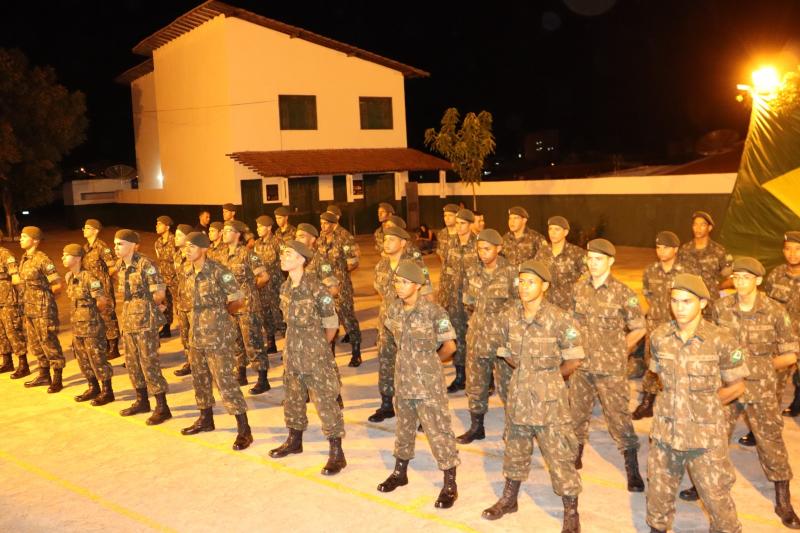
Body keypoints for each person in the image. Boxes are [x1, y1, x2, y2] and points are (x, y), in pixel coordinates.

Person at [679, 257, 800, 528]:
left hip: (762, 389)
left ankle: (783, 499)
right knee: (711, 438)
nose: (740, 282)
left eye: (746, 277)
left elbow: (791, 354)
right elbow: (707, 339)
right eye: (736, 277)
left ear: (758, 280)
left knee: (771, 443)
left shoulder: (774, 311)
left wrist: (758, 367)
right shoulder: (721, 308)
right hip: (726, 386)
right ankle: (702, 485)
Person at [481, 260, 582, 532]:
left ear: (545, 286)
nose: (524, 287)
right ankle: (509, 498)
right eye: (521, 281)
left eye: (531, 282)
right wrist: (527, 370)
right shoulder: (509, 316)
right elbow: (507, 353)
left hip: (550, 399)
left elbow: (573, 360)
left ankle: (571, 511)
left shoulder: (560, 319)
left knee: (558, 454)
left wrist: (547, 376)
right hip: (519, 393)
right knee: (515, 448)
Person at [646, 273, 747, 533]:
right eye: (675, 301)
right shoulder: (659, 336)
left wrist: (706, 405)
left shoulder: (720, 340)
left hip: (704, 437)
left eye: (687, 301)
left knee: (718, 501)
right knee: (657, 500)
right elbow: (659, 375)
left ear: (702, 303)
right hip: (666, 435)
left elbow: (737, 385)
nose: (679, 308)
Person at [377, 260, 460, 509]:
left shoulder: (435, 312)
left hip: (428, 384)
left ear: (417, 285)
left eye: (404, 282)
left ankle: (449, 483)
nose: (398, 287)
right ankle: (400, 472)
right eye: (397, 282)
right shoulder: (393, 310)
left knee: (438, 430)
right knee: (404, 427)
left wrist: (430, 363)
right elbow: (395, 340)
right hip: (403, 379)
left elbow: (450, 347)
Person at [570, 238, 646, 492]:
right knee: (577, 414)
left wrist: (619, 350)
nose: (593, 264)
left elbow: (639, 328)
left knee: (619, 418)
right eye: (590, 259)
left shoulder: (623, 293)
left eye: (599, 259)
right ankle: (575, 455)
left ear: (611, 261)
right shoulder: (579, 289)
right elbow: (573, 322)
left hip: (610, 369)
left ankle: (632, 465)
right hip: (581, 366)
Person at [269, 240, 347, 476]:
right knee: (292, 396)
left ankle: (337, 453)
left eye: (288, 253)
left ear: (301, 259)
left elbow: (331, 321)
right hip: (292, 350)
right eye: (283, 253)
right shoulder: (285, 288)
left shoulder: (316, 287)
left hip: (315, 352)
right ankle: (294, 440)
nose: (283, 257)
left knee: (324, 400)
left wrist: (321, 346)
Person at [179, 232, 254, 451]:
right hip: (196, 334)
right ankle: (206, 419)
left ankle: (244, 429)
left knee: (225, 381)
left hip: (217, 335)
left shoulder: (220, 271)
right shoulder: (187, 271)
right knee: (200, 379)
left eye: (192, 247)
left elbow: (238, 299)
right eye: (186, 247)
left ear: (203, 249)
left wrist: (222, 315)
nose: (187, 250)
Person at [457, 228, 517, 443]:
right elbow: (468, 303)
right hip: (477, 338)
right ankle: (476, 427)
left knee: (508, 386)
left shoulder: (511, 273)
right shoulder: (473, 271)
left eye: (487, 248)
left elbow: (519, 306)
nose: (482, 253)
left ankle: (513, 429)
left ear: (499, 248)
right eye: (480, 249)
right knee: (476, 384)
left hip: (502, 340)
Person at [368, 225, 432, 423]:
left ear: (403, 243)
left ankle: (421, 411)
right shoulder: (381, 265)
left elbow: (427, 294)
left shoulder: (414, 265)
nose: (386, 243)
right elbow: (382, 293)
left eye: (391, 239)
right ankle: (387, 404)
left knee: (414, 366)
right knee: (386, 363)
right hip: (387, 322)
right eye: (385, 239)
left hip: (410, 323)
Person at [632, 231, 697, 420]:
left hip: (677, 325)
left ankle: (678, 404)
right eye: (658, 247)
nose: (661, 251)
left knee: (678, 364)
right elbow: (648, 295)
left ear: (675, 249)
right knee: (651, 363)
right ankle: (648, 402)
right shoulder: (650, 270)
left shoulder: (686, 273)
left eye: (666, 247)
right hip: (654, 325)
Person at [114, 229, 172, 425]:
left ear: (132, 245)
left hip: (145, 322)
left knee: (149, 363)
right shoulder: (121, 267)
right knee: (132, 362)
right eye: (115, 244)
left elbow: (159, 292)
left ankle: (162, 407)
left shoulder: (145, 264)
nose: (116, 247)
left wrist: (148, 308)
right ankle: (142, 401)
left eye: (120, 244)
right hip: (129, 321)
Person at [220, 220, 270, 395]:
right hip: (231, 307)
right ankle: (241, 374)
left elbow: (264, 277)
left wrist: (248, 290)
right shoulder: (223, 255)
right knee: (236, 342)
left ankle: (263, 379)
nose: (224, 233)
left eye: (228, 231)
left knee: (253, 342)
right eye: (223, 230)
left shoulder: (249, 254)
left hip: (248, 306)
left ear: (237, 234)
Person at [61, 244, 115, 405]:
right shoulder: (69, 277)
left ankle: (107, 391)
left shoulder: (90, 278)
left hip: (91, 326)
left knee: (98, 358)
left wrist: (91, 315)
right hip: (77, 326)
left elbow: (102, 301)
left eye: (66, 255)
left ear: (77, 258)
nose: (62, 258)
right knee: (83, 359)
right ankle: (93, 387)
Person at [13, 226, 65, 393]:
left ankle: (57, 378)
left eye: (23, 236)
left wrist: (46, 301)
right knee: (35, 344)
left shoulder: (42, 259)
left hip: (42, 310)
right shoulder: (24, 258)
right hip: (28, 309)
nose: (20, 239)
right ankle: (44, 374)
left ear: (35, 240)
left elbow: (57, 284)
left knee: (49, 342)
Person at [438, 209, 479, 393]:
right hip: (455, 301)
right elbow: (445, 272)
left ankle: (484, 379)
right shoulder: (451, 245)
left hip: (474, 303)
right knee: (458, 339)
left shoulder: (479, 245)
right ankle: (460, 376)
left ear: (470, 224)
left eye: (463, 223)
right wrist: (443, 298)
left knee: (477, 340)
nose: (459, 227)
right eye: (457, 223)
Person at [764, 231, 800, 417]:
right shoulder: (776, 274)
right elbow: (767, 303)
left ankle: (798, 402)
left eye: (797, 249)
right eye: (788, 249)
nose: (793, 254)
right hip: (780, 340)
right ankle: (766, 424)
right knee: (773, 381)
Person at [318, 209, 361, 363]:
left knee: (347, 318)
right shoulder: (321, 239)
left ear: (333, 224)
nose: (323, 227)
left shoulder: (344, 238)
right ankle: (331, 355)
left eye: (326, 224)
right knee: (329, 319)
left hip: (342, 285)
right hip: (326, 286)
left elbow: (353, 262)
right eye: (321, 223)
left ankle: (356, 352)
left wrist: (340, 273)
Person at [677, 211, 733, 316]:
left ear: (710, 228)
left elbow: (730, 278)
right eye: (695, 224)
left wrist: (716, 287)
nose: (698, 228)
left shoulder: (719, 251)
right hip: (690, 303)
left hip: (711, 304)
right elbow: (678, 275)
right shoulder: (685, 250)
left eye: (702, 225)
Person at [81, 218, 121, 359]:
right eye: (84, 228)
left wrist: (104, 281)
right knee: (97, 316)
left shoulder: (102, 247)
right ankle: (104, 342)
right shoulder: (85, 248)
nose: (84, 230)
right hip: (91, 289)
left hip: (103, 287)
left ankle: (114, 346)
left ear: (96, 230)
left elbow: (112, 267)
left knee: (107, 315)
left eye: (87, 228)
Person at [534, 216, 586, 311]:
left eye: (557, 229)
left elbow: (587, 277)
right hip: (546, 307)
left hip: (569, 307)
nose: (552, 233)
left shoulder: (577, 253)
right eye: (550, 229)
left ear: (565, 232)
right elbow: (535, 276)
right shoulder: (542, 252)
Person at [254, 215, 283, 354]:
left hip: (276, 287)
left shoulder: (278, 242)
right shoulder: (257, 244)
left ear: (269, 227)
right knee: (266, 316)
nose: (258, 229)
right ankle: (271, 343)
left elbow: (285, 262)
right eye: (257, 226)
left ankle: (289, 346)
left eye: (260, 226)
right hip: (262, 287)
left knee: (280, 317)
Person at [0, 234, 27, 377]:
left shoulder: (5, 254)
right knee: (1, 332)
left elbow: (16, 278)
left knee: (13, 330)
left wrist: (21, 299)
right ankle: (7, 361)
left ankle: (23, 363)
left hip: (8, 299)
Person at [171, 225, 194, 377]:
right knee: (184, 334)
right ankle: (190, 362)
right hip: (181, 301)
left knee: (195, 335)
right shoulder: (177, 255)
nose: (176, 238)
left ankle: (199, 363)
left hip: (193, 301)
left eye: (179, 235)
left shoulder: (194, 254)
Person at [154, 215, 176, 339]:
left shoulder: (174, 241)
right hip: (163, 278)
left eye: (159, 224)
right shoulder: (157, 243)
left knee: (180, 305)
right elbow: (160, 260)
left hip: (176, 279)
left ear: (167, 227)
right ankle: (166, 328)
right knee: (165, 303)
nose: (157, 226)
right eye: (156, 224)